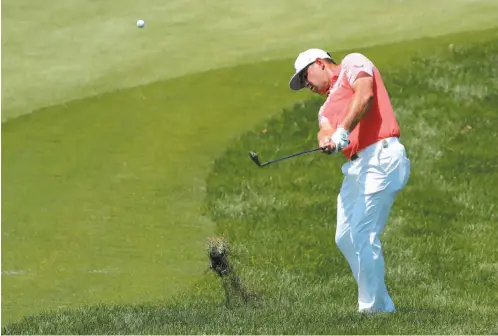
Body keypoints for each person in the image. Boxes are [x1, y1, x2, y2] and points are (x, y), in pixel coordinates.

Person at [289, 48, 411, 313]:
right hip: (356, 168)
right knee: (345, 237)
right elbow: (325, 129)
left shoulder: (352, 63)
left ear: (320, 63)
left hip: (381, 156)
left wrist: (343, 130)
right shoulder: (324, 107)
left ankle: (375, 310)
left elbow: (365, 94)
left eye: (305, 77)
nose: (306, 85)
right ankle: (379, 301)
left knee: (363, 234)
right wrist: (327, 141)